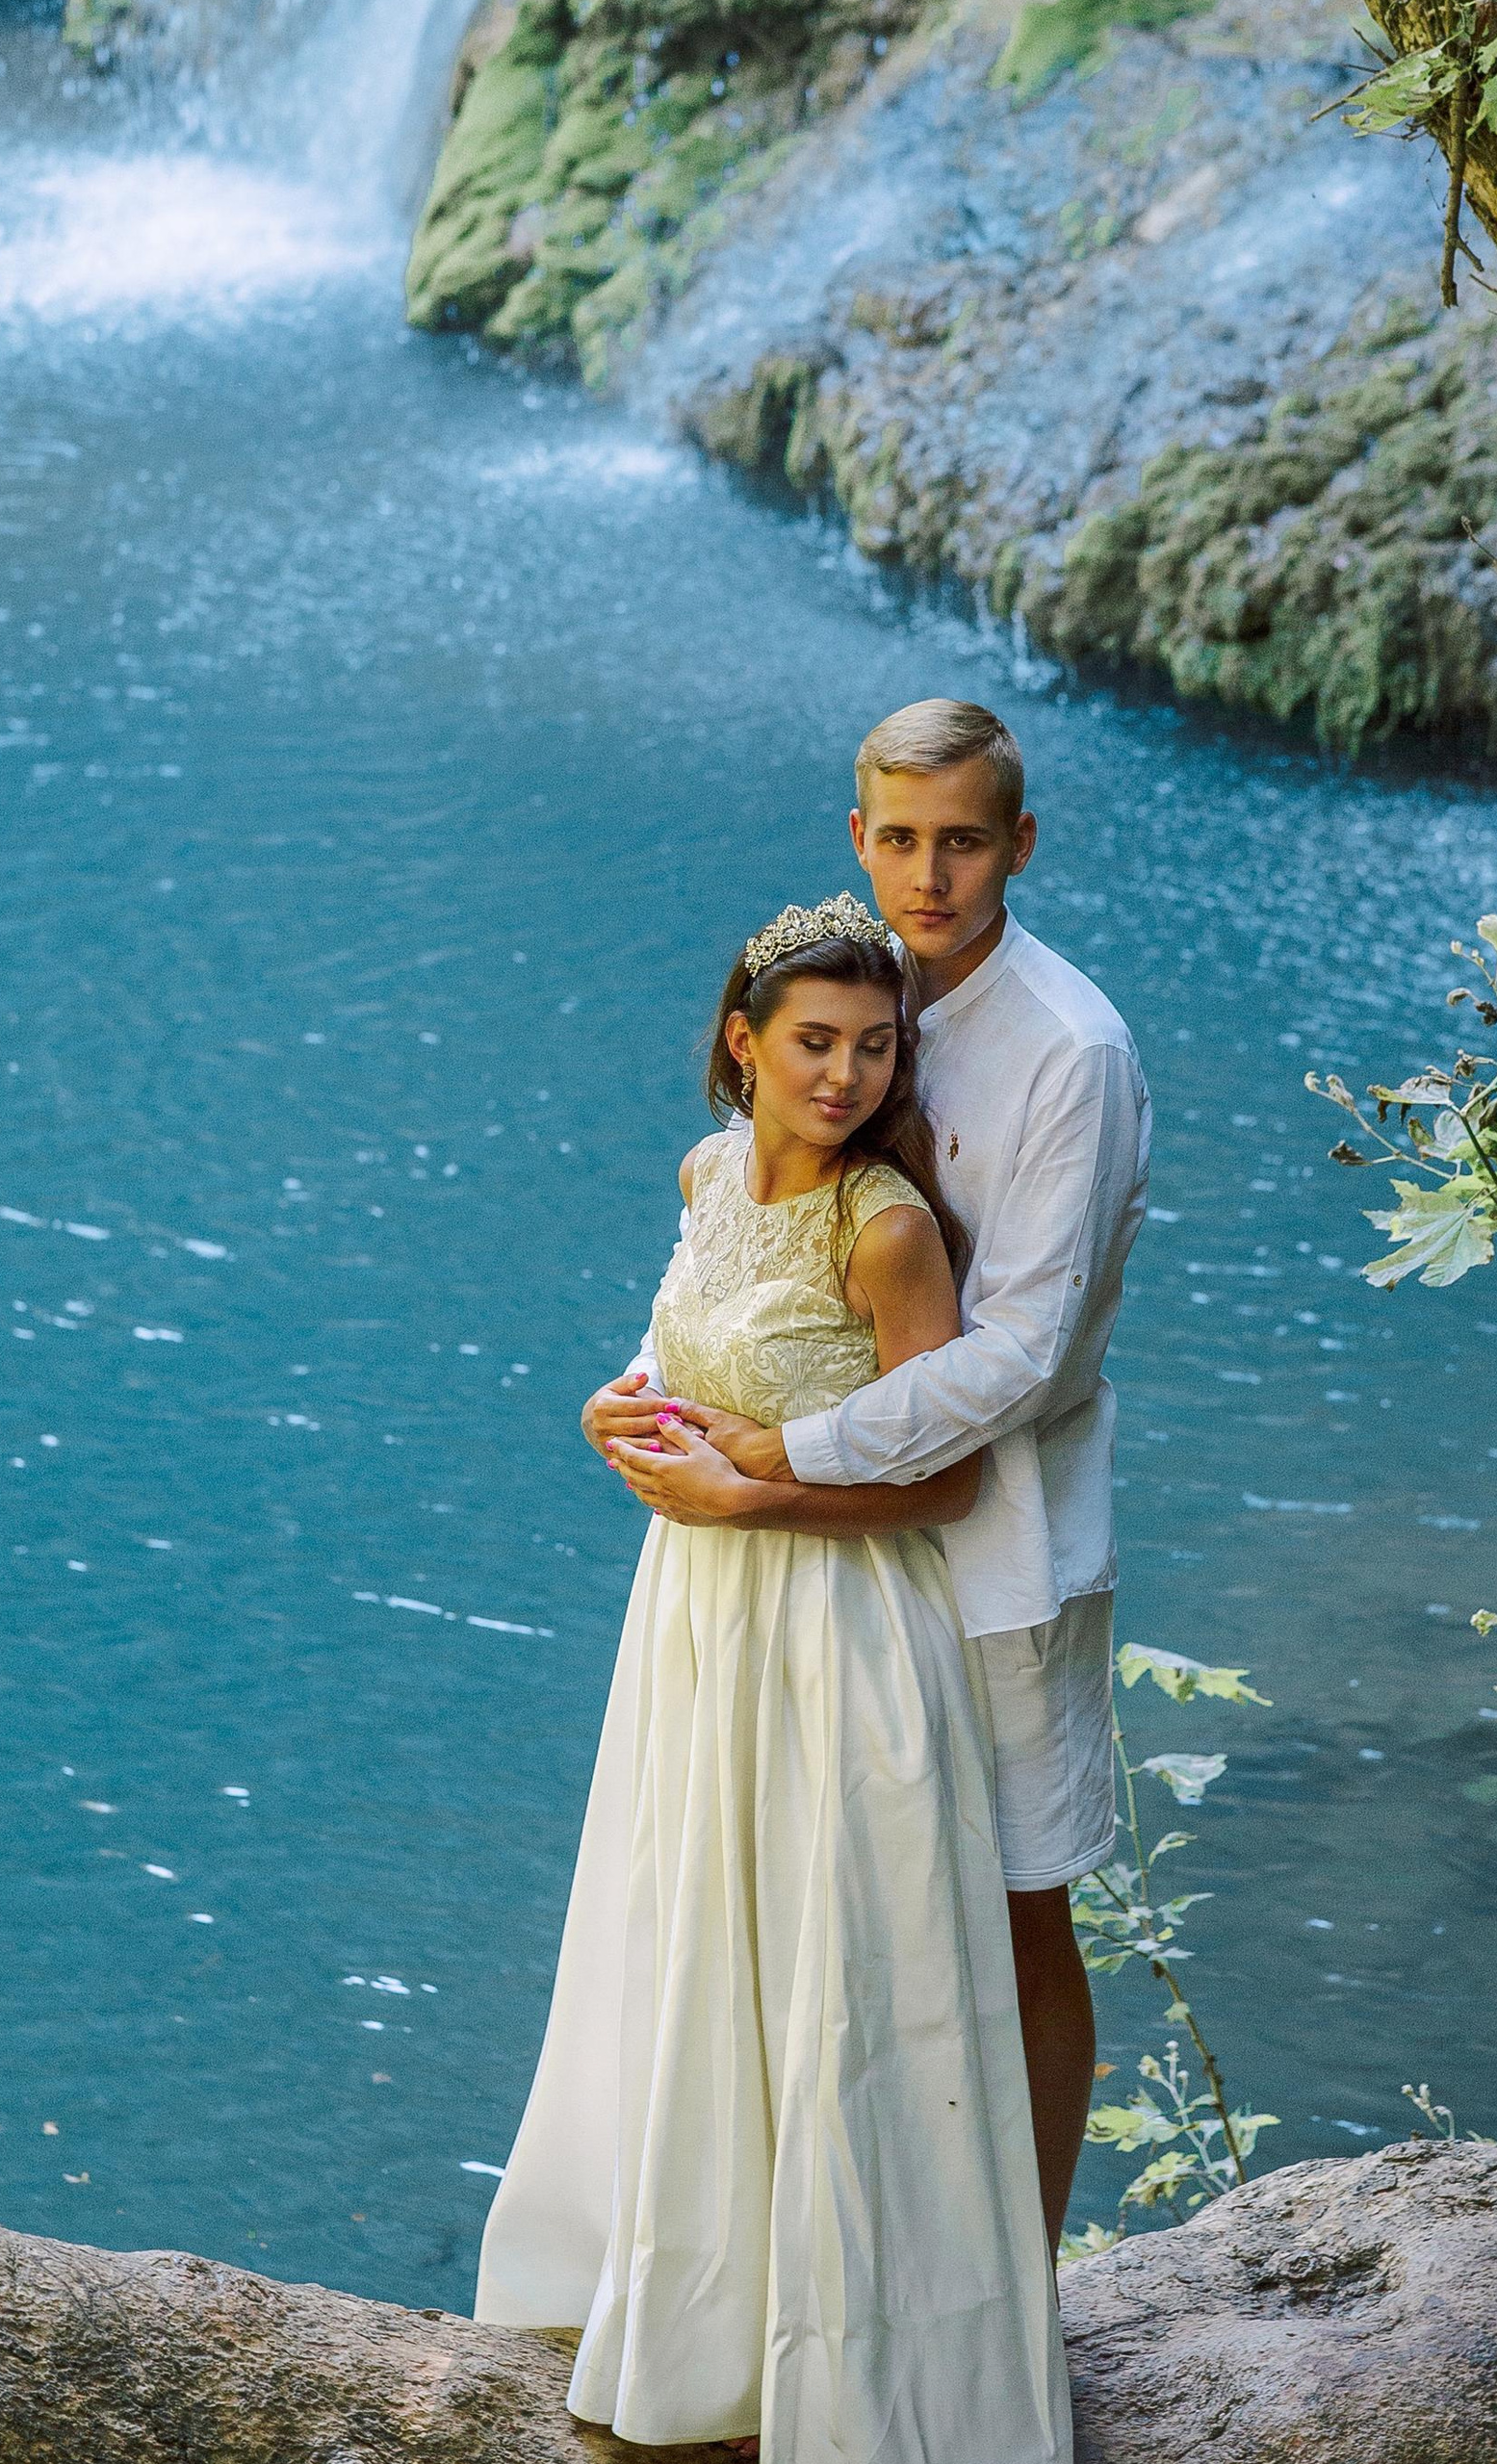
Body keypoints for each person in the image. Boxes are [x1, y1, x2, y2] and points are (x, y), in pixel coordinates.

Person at [475, 893, 1071, 2464]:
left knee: (831, 1986)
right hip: (694, 1618)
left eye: (876, 1047)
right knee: (693, 1945)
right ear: (742, 1046)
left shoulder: (888, 1230)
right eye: (815, 1042)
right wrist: (619, 1413)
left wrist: (764, 1497)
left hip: (835, 1631)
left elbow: (944, 1484)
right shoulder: (703, 1175)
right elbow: (682, 1364)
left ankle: (854, 2374)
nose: (847, 1075)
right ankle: (701, 2330)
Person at [596, 700, 1150, 2246]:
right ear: (859, 837)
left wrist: (785, 1461)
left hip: (1000, 1533)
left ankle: (1011, 2290)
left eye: (964, 840)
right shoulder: (846, 999)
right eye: (900, 838)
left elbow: (1020, 1358)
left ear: (1017, 845)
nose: (931, 875)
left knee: (1017, 1905)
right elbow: (749, 1238)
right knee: (840, 1905)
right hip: (827, 1568)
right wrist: (647, 1393)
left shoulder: (1071, 1055)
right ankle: (823, 2264)